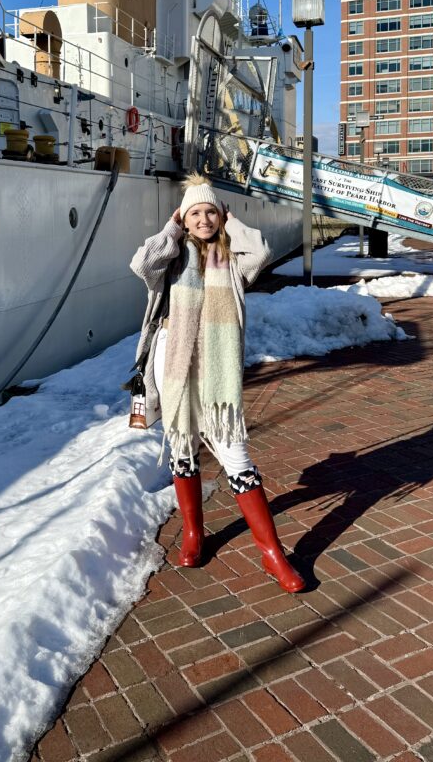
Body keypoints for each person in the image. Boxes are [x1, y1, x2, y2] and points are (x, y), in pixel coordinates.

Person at [130, 173, 305, 593]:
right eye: (195, 213)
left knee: (235, 456)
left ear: (220, 216)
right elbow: (141, 264)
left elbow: (261, 250)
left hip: (216, 365)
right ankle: (194, 533)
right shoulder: (172, 256)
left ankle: (273, 554)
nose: (203, 219)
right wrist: (173, 226)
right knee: (182, 448)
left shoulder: (233, 260)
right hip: (172, 358)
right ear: (184, 219)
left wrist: (230, 220)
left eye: (210, 211)